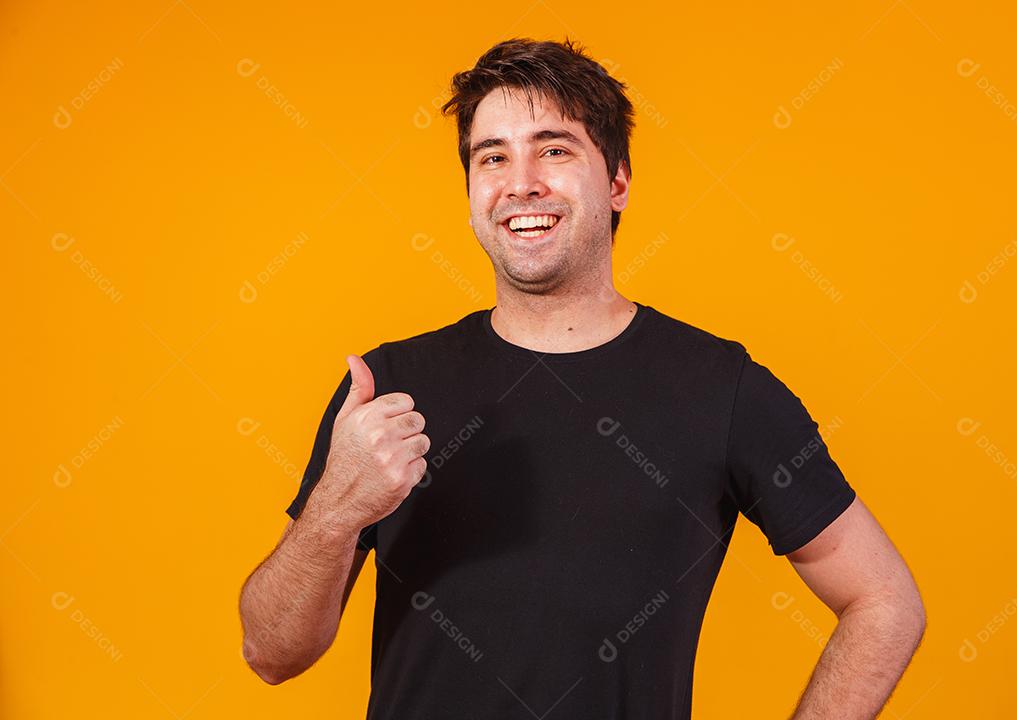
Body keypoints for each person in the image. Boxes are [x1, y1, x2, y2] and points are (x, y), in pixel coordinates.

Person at [239, 37, 926, 720]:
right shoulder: (388, 387)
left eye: (555, 149)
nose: (521, 182)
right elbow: (272, 653)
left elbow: (884, 603)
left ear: (618, 180)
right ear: (472, 190)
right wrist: (337, 508)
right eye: (493, 157)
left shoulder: (722, 390)